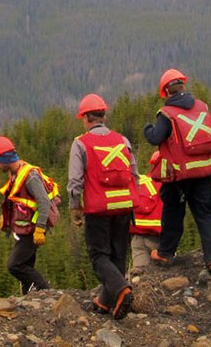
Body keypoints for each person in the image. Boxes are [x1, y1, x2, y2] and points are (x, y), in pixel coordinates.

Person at [144, 68, 211, 275]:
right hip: (205, 173)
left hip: (179, 177)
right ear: (184, 87)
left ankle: (165, 254)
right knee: (205, 216)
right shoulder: (202, 107)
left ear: (166, 92)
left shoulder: (166, 114)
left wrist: (147, 128)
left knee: (173, 214)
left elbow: (155, 138)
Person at [67, 93, 137, 320]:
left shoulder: (81, 143)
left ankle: (122, 290)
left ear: (86, 118)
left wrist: (75, 207)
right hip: (124, 206)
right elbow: (134, 174)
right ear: (104, 116)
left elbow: (75, 181)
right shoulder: (123, 140)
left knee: (99, 256)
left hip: (99, 208)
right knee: (118, 255)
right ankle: (105, 302)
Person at [0, 136, 59, 295]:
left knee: (15, 265)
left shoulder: (30, 176)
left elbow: (44, 202)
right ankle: (29, 298)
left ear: (4, 158)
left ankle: (47, 291)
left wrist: (40, 228)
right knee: (26, 265)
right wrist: (5, 218)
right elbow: (19, 200)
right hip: (24, 228)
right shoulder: (15, 173)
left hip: (33, 229)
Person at [129, 151, 163, 273]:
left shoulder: (140, 182)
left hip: (137, 235)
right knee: (162, 272)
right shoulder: (165, 184)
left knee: (140, 273)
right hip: (156, 236)